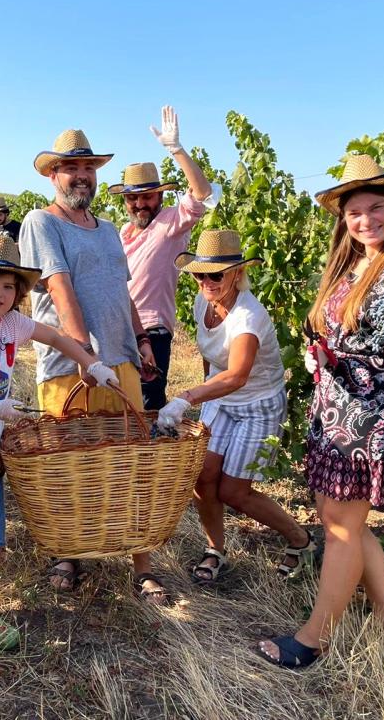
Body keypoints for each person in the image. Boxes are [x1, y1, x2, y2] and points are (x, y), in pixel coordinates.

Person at [258, 154, 384, 668]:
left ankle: (313, 639)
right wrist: (318, 351)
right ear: (342, 218)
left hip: (371, 411)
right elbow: (334, 330)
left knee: (344, 525)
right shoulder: (347, 265)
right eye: (355, 211)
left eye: (376, 207)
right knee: (336, 515)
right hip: (334, 402)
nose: (366, 219)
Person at [0, 234, 118, 649]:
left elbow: (57, 338)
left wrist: (92, 363)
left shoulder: (11, 324)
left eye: (9, 286)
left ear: (19, 293)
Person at [18, 128, 165, 603]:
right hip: (71, 365)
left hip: (119, 359)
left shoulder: (106, 231)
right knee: (68, 464)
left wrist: (140, 340)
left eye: (88, 168)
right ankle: (69, 554)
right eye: (71, 168)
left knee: (128, 463)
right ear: (53, 175)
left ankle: (140, 561)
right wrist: (86, 355)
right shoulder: (41, 223)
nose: (81, 176)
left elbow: (123, 292)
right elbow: (59, 289)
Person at [157, 229, 315, 583]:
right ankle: (216, 550)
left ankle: (300, 540)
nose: (207, 282)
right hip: (222, 400)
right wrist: (204, 393)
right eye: (200, 274)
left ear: (237, 274)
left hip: (257, 404)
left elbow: (238, 375)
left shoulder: (249, 316)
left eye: (216, 275)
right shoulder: (203, 302)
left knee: (234, 492)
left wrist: (188, 397)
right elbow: (211, 359)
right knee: (203, 476)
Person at [113, 105, 220, 409]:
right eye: (132, 198)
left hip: (153, 330)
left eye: (147, 196)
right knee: (121, 404)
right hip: (122, 327)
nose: (139, 204)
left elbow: (202, 193)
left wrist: (176, 149)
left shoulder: (172, 223)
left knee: (147, 404)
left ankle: (153, 456)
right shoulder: (123, 232)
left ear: (160, 196)